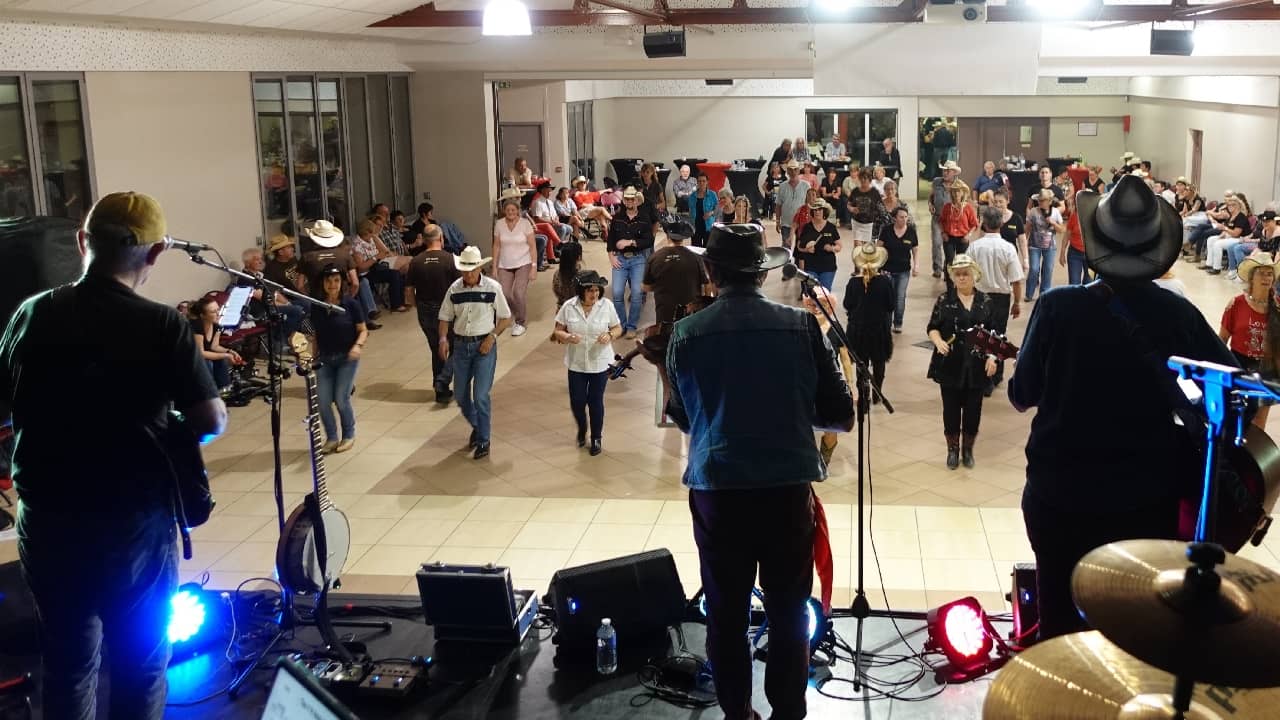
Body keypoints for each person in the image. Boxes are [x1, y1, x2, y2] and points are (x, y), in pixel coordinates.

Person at [0, 191, 227, 719]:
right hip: (132, 525)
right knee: (139, 664)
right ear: (156, 253)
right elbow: (210, 422)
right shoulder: (161, 325)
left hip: (49, 519)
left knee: (68, 661)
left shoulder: (32, 314)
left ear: (83, 241)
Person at [1009, 175, 1239, 640]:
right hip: (1144, 496)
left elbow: (1022, 394)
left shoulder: (1057, 307)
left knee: (1058, 623)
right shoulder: (1179, 314)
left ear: (1097, 241)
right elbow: (1232, 387)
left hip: (1062, 492)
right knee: (1132, 625)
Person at [665, 223, 855, 720]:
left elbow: (683, 416)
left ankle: (736, 712)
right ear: (762, 272)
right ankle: (788, 711)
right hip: (784, 491)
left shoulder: (685, 333)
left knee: (725, 616)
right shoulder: (799, 325)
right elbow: (839, 412)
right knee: (789, 611)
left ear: (711, 271)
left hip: (718, 492)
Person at [439, 246, 513, 460]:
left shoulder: (493, 288)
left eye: (472, 269)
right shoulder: (454, 289)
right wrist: (443, 339)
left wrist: (492, 337)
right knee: (461, 396)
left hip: (484, 347)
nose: (468, 274)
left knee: (480, 395)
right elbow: (445, 317)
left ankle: (484, 439)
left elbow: (505, 317)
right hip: (461, 347)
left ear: (480, 267)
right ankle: (478, 426)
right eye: (464, 270)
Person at [927, 254, 998, 470]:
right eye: (957, 274)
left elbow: (993, 334)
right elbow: (932, 327)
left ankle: (968, 449)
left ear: (974, 275)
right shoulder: (944, 300)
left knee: (973, 410)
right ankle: (952, 449)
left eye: (966, 274)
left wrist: (993, 357)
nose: (962, 278)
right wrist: (938, 341)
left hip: (977, 366)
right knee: (950, 410)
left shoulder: (986, 301)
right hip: (950, 364)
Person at [552, 270, 621, 455]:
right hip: (576, 363)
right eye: (590, 290)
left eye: (597, 290)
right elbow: (558, 330)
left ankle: (596, 438)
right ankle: (582, 427)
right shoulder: (568, 306)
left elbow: (617, 327)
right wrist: (567, 336)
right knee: (577, 401)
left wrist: (609, 335)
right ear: (581, 291)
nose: (594, 294)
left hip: (600, 362)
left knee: (595, 400)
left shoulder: (606, 306)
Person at [965, 206, 1025, 391]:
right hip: (1001, 298)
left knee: (981, 335)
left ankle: (981, 376)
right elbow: (1016, 280)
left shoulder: (974, 247)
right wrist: (1017, 303)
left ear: (984, 224)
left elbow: (965, 274)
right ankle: (995, 376)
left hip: (980, 296)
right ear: (1000, 224)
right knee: (997, 335)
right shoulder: (1008, 248)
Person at [310, 264, 368, 453]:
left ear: (342, 282)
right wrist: (313, 356)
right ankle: (332, 437)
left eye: (336, 280)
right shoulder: (317, 306)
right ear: (323, 283)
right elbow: (317, 334)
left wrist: (357, 346)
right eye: (328, 281)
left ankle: (349, 434)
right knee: (323, 400)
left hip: (347, 358)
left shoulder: (351, 304)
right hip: (325, 359)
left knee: (341, 398)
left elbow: (363, 330)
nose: (332, 284)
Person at [1222, 250, 1279, 428]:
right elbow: (1222, 339)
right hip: (1239, 364)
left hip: (1267, 369)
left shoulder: (1277, 308)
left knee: (1259, 420)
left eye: (1270, 274)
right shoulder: (1236, 304)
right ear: (1251, 278)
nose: (1266, 278)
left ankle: (1253, 454)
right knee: (1235, 415)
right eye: (1261, 273)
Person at [803, 286, 855, 466]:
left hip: (830, 383)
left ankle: (824, 461)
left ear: (829, 306)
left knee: (831, 427)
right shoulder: (803, 325)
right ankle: (809, 459)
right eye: (812, 304)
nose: (816, 307)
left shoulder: (835, 328)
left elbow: (846, 359)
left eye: (821, 303)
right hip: (806, 383)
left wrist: (850, 385)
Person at [408, 224, 460, 403]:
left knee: (435, 347)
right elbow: (459, 288)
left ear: (423, 240)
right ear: (441, 239)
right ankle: (443, 381)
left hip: (425, 310)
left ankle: (441, 390)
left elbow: (408, 294)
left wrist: (419, 307)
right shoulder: (450, 259)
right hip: (447, 311)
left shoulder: (415, 261)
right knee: (455, 346)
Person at [844, 243, 895, 401]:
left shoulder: (853, 282)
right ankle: (877, 393)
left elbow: (847, 304)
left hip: (858, 330)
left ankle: (863, 395)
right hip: (879, 329)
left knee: (861, 364)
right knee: (879, 362)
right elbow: (891, 305)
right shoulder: (885, 282)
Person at [610, 186, 658, 339]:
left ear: (637, 200)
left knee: (637, 293)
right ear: (624, 201)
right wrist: (611, 256)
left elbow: (649, 240)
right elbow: (611, 239)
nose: (630, 201)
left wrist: (630, 241)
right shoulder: (617, 218)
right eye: (627, 199)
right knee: (617, 293)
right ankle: (622, 325)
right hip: (620, 259)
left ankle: (631, 326)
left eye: (632, 199)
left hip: (638, 259)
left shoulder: (644, 218)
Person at [493, 191, 537, 337]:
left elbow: (532, 246)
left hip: (523, 262)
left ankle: (520, 322)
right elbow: (496, 246)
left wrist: (534, 267)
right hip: (504, 263)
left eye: (513, 210)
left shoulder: (525, 224)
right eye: (507, 210)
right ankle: (513, 314)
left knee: (518, 293)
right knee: (505, 293)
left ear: (518, 211)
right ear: (504, 211)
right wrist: (494, 267)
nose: (510, 212)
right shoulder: (499, 224)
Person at [878, 205, 918, 333]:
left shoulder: (911, 231)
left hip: (903, 270)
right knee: (887, 297)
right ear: (895, 218)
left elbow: (915, 249)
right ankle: (887, 322)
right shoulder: (886, 230)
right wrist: (878, 266)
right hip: (887, 269)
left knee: (900, 297)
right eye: (901, 217)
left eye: (906, 217)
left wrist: (916, 265)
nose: (904, 219)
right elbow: (879, 248)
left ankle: (898, 322)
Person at [189, 296, 242, 391]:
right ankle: (208, 393)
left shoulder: (216, 324)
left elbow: (214, 346)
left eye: (218, 309)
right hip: (185, 357)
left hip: (200, 356)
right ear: (202, 315)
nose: (219, 314)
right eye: (213, 312)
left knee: (220, 359)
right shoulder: (196, 326)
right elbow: (201, 353)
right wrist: (226, 355)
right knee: (208, 362)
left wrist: (230, 351)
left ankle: (224, 390)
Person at [1025, 189, 1064, 302]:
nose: (1040, 202)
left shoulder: (1056, 212)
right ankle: (1029, 294)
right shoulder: (1033, 211)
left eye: (1043, 200)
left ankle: (1044, 294)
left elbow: (1062, 229)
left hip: (1050, 246)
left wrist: (1053, 223)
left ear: (1050, 201)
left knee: (1048, 269)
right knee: (1034, 269)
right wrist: (1024, 241)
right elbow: (1028, 227)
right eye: (1039, 200)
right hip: (1034, 245)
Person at [939, 179, 979, 289]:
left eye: (959, 191)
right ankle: (950, 287)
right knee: (950, 261)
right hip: (949, 238)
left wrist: (968, 235)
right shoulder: (947, 207)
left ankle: (961, 286)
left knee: (961, 263)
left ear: (963, 193)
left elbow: (975, 224)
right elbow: (941, 221)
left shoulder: (968, 208)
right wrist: (943, 233)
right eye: (954, 191)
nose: (956, 194)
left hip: (963, 238)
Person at [1201, 194, 1252, 275]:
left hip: (1241, 239)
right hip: (1231, 237)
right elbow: (1226, 229)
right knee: (1211, 239)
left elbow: (1235, 233)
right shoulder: (1231, 216)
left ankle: (1216, 268)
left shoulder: (1241, 217)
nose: (1230, 206)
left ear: (1238, 206)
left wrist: (1224, 228)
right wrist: (1220, 236)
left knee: (1218, 244)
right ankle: (1209, 264)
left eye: (1233, 205)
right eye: (1228, 205)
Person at [796, 200, 841, 290]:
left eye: (820, 209)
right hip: (811, 266)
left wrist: (831, 248)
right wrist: (807, 250)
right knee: (812, 293)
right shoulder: (807, 227)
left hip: (828, 267)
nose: (817, 212)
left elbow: (839, 246)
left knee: (825, 294)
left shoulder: (831, 227)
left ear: (824, 211)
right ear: (812, 212)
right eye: (815, 210)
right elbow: (799, 246)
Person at [929, 161, 961, 278]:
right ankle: (937, 269)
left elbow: (962, 203)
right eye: (944, 170)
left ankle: (947, 268)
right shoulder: (937, 182)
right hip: (937, 218)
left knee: (948, 245)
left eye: (948, 171)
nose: (945, 173)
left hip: (951, 221)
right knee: (936, 243)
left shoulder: (959, 185)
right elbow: (931, 196)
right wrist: (930, 204)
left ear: (954, 173)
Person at [1227, 210, 1280, 281]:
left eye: (1268, 221)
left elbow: (1277, 253)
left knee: (1239, 248)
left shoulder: (1278, 233)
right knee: (1236, 249)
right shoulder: (1264, 231)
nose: (1265, 224)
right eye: (1263, 221)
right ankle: (1240, 272)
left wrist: (1275, 268)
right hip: (1266, 255)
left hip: (1274, 257)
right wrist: (1252, 256)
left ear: (1274, 221)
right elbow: (1260, 247)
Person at [775, 160, 811, 251]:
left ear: (799, 171)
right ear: (787, 171)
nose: (793, 172)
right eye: (790, 170)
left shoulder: (806, 186)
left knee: (801, 247)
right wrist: (777, 221)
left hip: (802, 222)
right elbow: (778, 205)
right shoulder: (782, 186)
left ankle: (800, 265)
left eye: (795, 169)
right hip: (786, 223)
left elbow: (810, 204)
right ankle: (787, 265)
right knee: (786, 248)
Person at [1057, 189, 1091, 285]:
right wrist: (1062, 253)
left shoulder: (1096, 216)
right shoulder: (1074, 216)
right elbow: (1066, 236)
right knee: (1074, 283)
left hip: (1091, 255)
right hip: (1075, 253)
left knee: (1089, 283)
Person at [846, 166, 885, 245]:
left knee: (867, 248)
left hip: (870, 224)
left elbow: (880, 206)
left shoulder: (874, 192)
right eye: (861, 178)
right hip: (857, 222)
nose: (863, 180)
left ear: (869, 179)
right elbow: (849, 204)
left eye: (865, 178)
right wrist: (852, 209)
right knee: (857, 245)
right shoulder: (855, 191)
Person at [687, 173, 718, 248]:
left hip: (708, 226)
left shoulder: (712, 194)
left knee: (708, 249)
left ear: (707, 182)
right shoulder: (692, 196)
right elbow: (690, 212)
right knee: (696, 249)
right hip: (695, 226)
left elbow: (718, 208)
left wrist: (711, 213)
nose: (701, 183)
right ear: (697, 182)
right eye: (699, 181)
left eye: (704, 181)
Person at [552, 240, 584, 308]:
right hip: (578, 309)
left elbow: (556, 292)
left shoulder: (557, 274)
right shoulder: (582, 276)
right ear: (579, 257)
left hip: (562, 308)